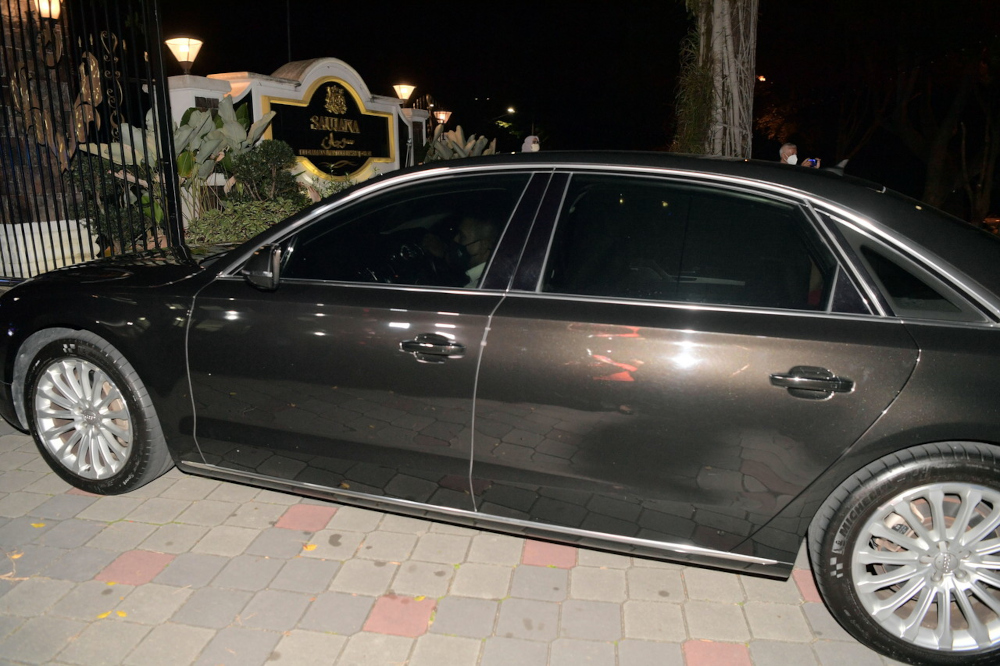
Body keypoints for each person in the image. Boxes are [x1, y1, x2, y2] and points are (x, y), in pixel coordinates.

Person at [453, 216, 499, 288]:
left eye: (462, 237)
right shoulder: (497, 274)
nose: (455, 239)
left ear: (483, 246)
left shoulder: (477, 287)